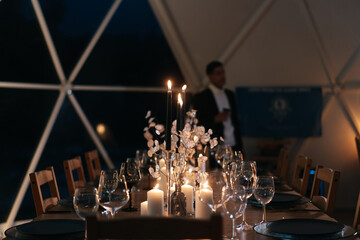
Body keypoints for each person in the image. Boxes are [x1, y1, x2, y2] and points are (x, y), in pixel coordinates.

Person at [192, 61, 243, 164]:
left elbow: (235, 121)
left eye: (223, 72)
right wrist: (215, 119)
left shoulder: (230, 94)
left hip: (234, 145)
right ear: (210, 76)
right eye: (218, 73)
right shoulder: (201, 97)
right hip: (215, 148)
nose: (222, 76)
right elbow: (198, 124)